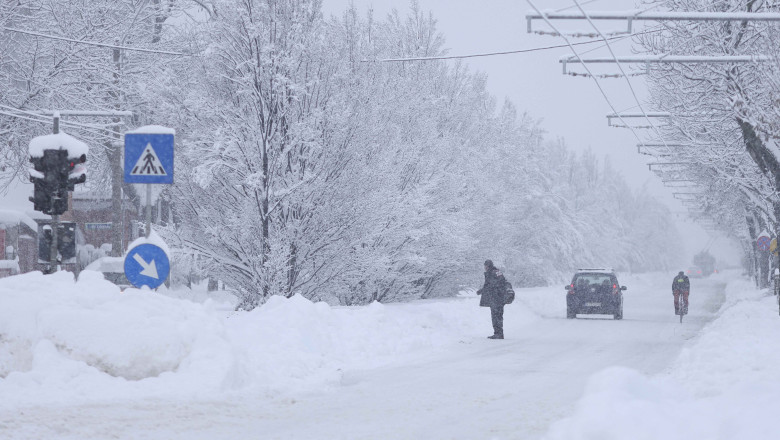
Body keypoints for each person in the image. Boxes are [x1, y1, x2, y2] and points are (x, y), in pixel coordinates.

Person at [477, 259, 507, 339]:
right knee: (498, 316)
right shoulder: (497, 272)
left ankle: (498, 334)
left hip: (496, 298)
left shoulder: (491, 273)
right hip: (500, 297)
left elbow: (491, 285)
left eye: (485, 266)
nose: (485, 267)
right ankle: (499, 333)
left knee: (496, 316)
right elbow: (499, 282)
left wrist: (482, 290)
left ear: (488, 266)